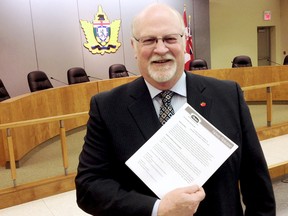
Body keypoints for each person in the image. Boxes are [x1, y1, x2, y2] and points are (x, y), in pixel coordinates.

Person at [75, 3, 275, 216]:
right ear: (133, 46)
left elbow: (256, 182)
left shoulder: (228, 96)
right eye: (149, 40)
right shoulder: (107, 108)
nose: (160, 49)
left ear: (183, 41)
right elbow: (89, 187)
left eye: (170, 38)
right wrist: (157, 209)